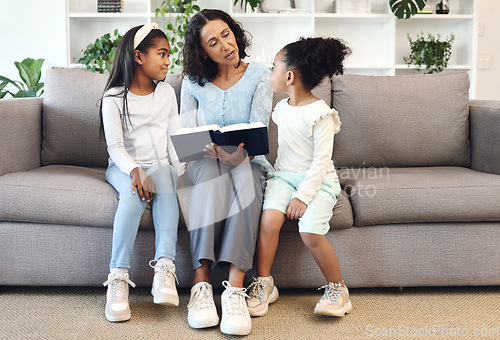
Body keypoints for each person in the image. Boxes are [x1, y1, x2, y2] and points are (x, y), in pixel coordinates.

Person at [180, 9, 272, 336]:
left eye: (226, 34)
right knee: (207, 172)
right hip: (205, 162)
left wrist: (239, 154)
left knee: (245, 175)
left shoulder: (260, 75)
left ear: (235, 32)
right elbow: (186, 134)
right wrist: (206, 150)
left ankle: (234, 290)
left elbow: (259, 126)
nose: (225, 45)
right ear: (202, 51)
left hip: (248, 161)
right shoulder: (192, 82)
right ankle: (202, 284)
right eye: (213, 42)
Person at [246, 37, 352, 318]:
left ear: (289, 76)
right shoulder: (281, 109)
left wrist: (302, 197)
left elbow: (320, 163)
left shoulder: (322, 114)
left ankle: (337, 289)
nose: (271, 73)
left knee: (310, 231)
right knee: (268, 220)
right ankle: (265, 283)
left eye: (274, 67)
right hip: (283, 177)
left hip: (317, 181)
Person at [99, 23, 185, 322]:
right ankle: (118, 277)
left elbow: (175, 139)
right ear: (138, 56)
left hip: (159, 165)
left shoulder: (166, 93)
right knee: (135, 193)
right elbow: (115, 147)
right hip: (122, 167)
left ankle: (164, 268)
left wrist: (186, 168)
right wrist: (136, 170)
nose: (167, 61)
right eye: (161, 54)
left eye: (168, 55)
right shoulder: (113, 97)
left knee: (165, 175)